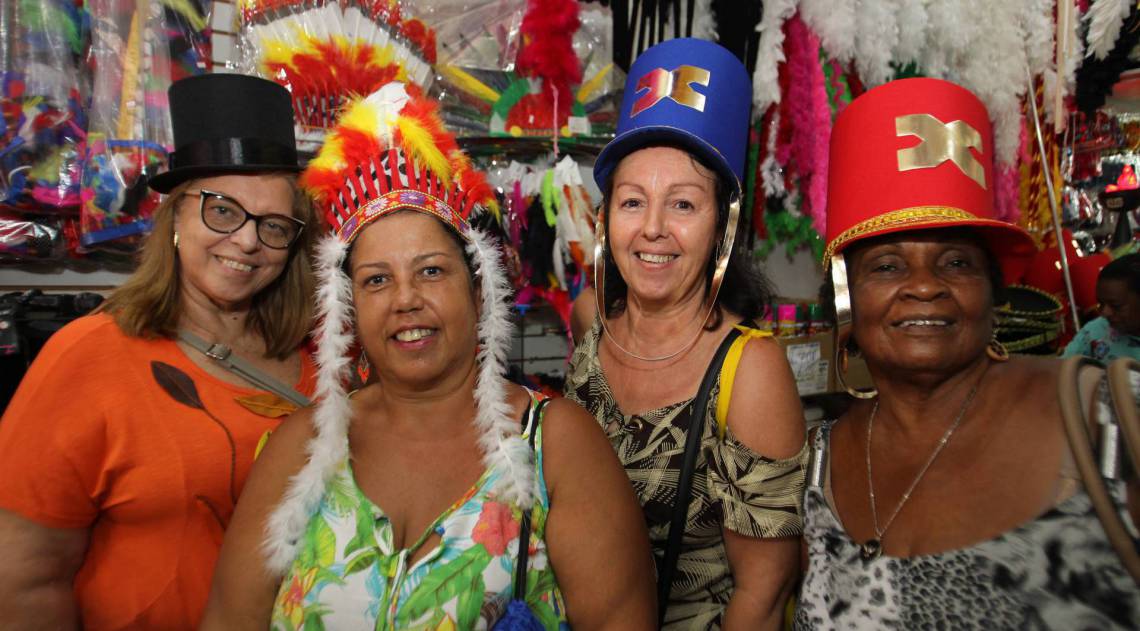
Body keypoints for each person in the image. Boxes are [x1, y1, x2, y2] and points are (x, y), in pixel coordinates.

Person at [200, 81, 656, 630]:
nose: (405, 299)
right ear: (348, 308)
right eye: (375, 280)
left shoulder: (557, 447)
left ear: (478, 288)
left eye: (432, 271)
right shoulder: (302, 448)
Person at [794, 77, 1140, 629]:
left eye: (956, 262)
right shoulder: (820, 464)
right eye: (887, 265)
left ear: (992, 293)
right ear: (846, 309)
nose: (926, 285)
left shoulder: (1108, 419)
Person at [0, 73, 320, 630]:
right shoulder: (85, 358)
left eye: (273, 225)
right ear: (174, 216)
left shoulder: (319, 361)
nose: (247, 240)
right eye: (222, 210)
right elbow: (22, 578)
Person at [565, 38, 808, 629]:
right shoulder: (589, 320)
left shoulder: (749, 370)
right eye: (631, 202)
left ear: (722, 226)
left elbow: (765, 594)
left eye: (682, 204)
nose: (652, 229)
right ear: (605, 219)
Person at [1064, 253, 1140, 362]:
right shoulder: (1094, 332)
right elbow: (1062, 369)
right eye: (1101, 304)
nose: (1105, 313)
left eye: (1116, 306)